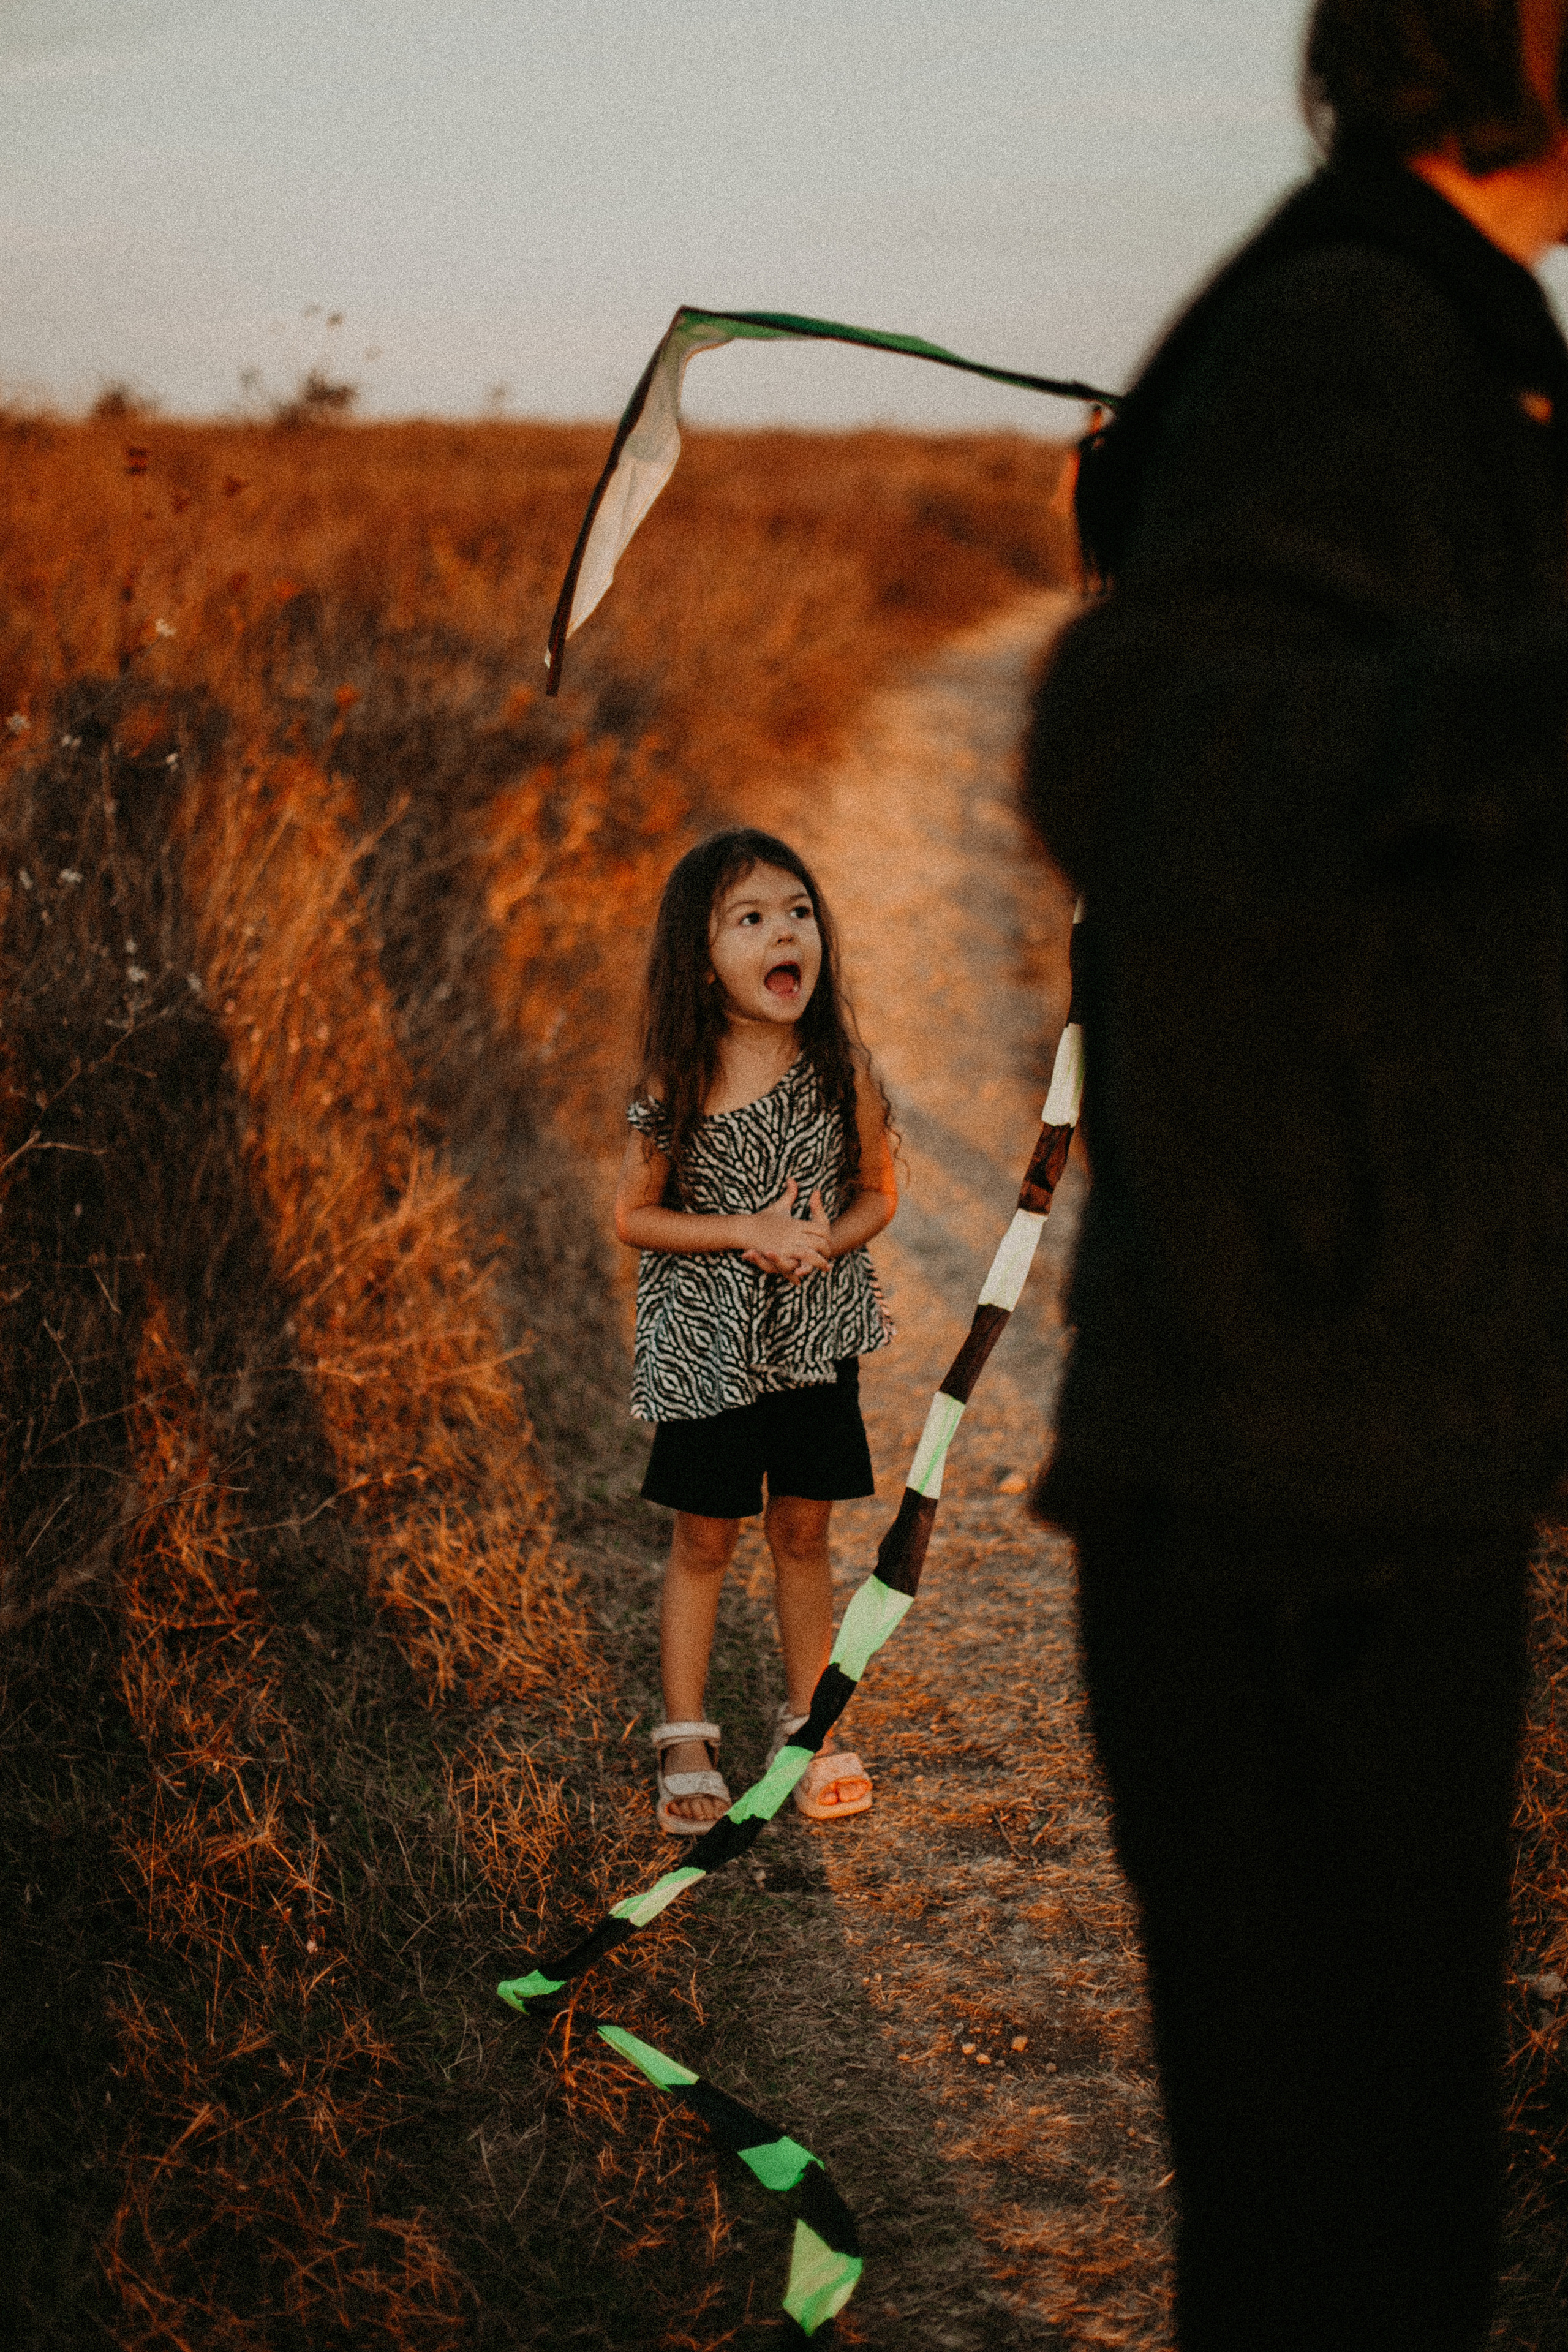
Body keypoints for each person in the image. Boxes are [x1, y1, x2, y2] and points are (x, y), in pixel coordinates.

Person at [1024, 2, 1568, 2345]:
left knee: (1367, 2228)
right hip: (1301, 1467)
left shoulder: (1424, 339)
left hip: (1354, 1430)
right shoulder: (1356, 332)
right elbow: (1141, 751)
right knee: (1354, 2247)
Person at [614, 828, 898, 1834]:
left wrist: (825, 1240)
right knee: (705, 1536)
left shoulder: (842, 1069)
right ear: (701, 960)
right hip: (708, 1341)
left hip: (815, 1333)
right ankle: (685, 1730)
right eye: (752, 919)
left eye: (799, 911)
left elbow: (877, 1193)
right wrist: (747, 1232)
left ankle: (807, 1724)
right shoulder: (676, 1083)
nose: (786, 932)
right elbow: (635, 1218)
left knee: (806, 1531)